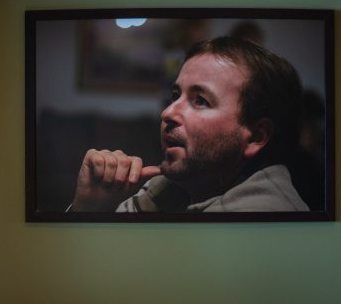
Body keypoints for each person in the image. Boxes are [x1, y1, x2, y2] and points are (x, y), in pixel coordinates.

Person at [69, 36, 311, 213]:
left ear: (256, 137)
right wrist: (88, 208)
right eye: (176, 96)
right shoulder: (173, 186)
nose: (168, 112)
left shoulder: (269, 224)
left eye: (201, 101)